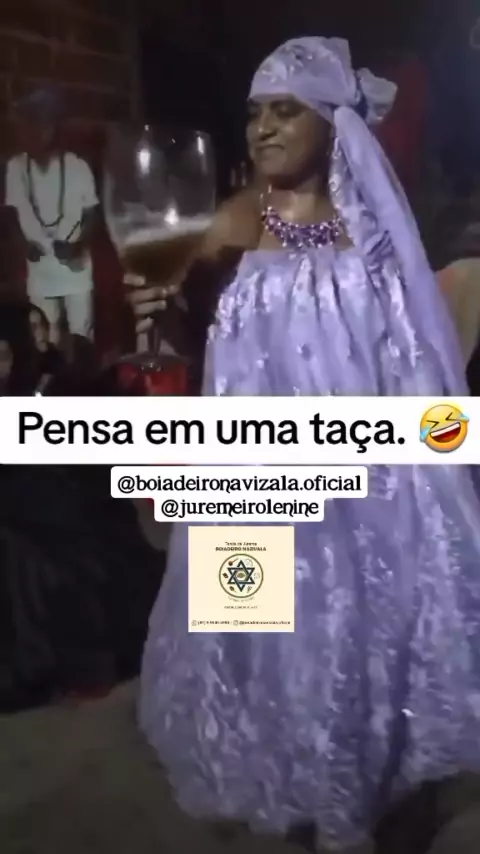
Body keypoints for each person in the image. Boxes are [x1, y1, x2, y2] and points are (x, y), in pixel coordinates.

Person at [130, 38, 480, 852]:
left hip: (363, 484)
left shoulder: (376, 237)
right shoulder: (234, 221)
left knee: (359, 637)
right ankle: (294, 792)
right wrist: (161, 310)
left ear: (333, 123)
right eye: (254, 113)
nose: (263, 128)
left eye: (285, 111)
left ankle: (369, 789)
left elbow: (411, 359)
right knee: (261, 633)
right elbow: (184, 323)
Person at [4, 86, 100, 344]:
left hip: (75, 270)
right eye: (26, 125)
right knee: (45, 338)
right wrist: (23, 245)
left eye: (36, 124)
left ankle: (82, 370)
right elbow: (12, 213)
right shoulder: (16, 168)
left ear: (50, 129)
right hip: (39, 271)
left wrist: (78, 246)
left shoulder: (78, 167)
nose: (28, 133)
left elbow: (92, 215)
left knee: (81, 334)